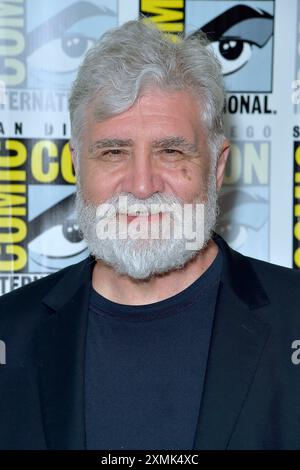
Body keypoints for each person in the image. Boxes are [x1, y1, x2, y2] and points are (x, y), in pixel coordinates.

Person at [0, 19, 300, 451]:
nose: (142, 186)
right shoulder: (10, 333)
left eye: (171, 151)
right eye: (114, 152)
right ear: (78, 167)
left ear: (216, 168)